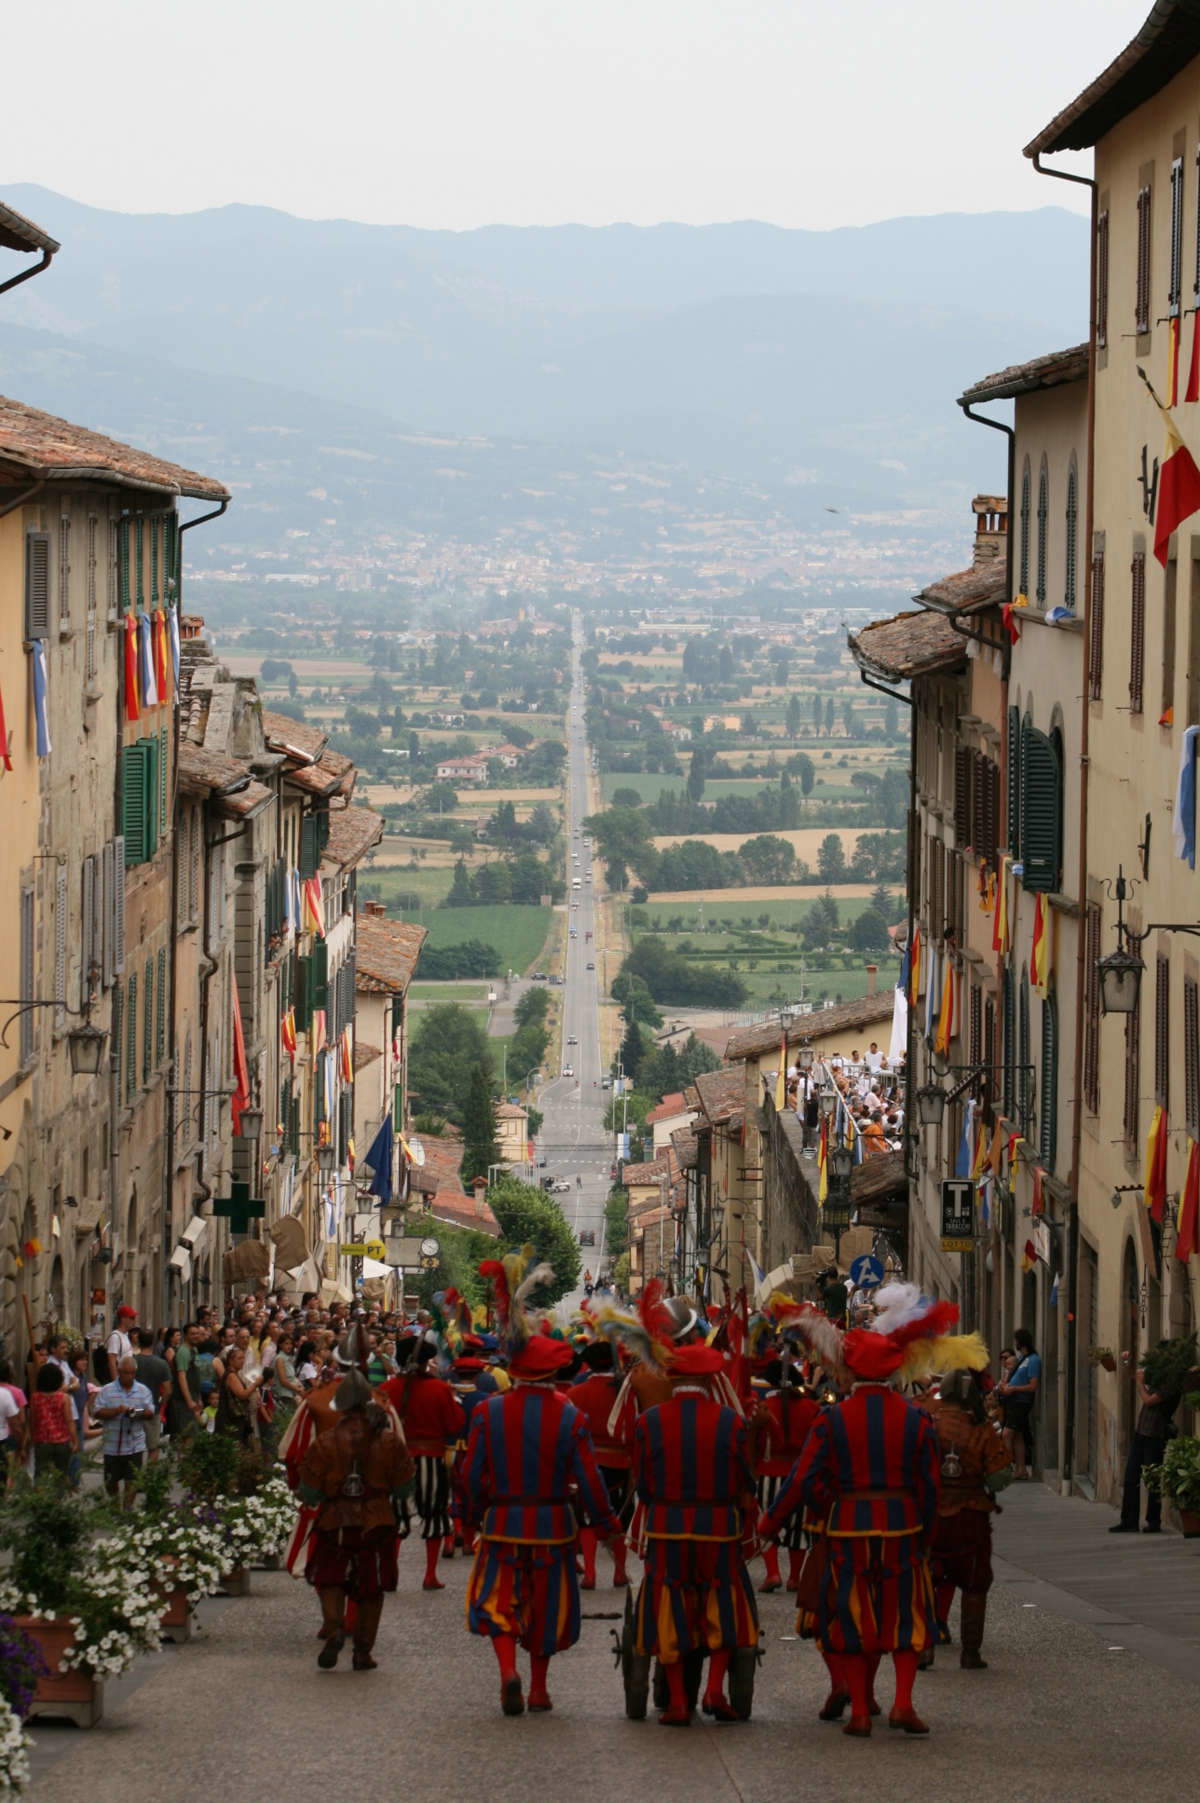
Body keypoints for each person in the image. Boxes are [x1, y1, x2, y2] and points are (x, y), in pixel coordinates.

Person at [760, 1285, 951, 1738]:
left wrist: (770, 1524)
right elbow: (930, 1484)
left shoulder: (832, 1419)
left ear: (850, 1372)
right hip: (903, 1528)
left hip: (847, 1530)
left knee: (852, 1616)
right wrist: (926, 1534)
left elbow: (803, 1479)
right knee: (904, 1614)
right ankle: (903, 1703)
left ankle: (862, 1712)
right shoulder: (916, 1418)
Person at [459, 1253, 622, 1716]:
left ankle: (507, 1672)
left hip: (503, 1522)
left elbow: (472, 1474)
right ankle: (538, 1689)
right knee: (546, 1607)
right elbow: (589, 1479)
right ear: (552, 1372)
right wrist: (607, 1524)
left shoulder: (489, 1413)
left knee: (499, 1601)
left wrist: (466, 1518)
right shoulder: (569, 1414)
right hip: (553, 1527)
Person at [631, 1339, 760, 1726]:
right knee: (720, 1602)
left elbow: (643, 1486)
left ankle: (678, 1701)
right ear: (709, 1380)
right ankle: (715, 1689)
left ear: (670, 1378)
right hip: (718, 1529)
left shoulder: (648, 1421)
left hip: (668, 1529)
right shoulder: (731, 1421)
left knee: (669, 1605)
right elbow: (744, 1480)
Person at [297, 1368, 414, 1671]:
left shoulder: (324, 1442)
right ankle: (362, 1652)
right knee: (371, 1589)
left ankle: (335, 1629)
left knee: (331, 1579)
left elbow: (308, 1492)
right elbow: (404, 1488)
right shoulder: (388, 1441)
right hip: (376, 1522)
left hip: (334, 1521)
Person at [927, 1369, 1012, 1667]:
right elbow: (1000, 1477)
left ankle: (924, 1647)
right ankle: (970, 1653)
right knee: (975, 1582)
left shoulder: (926, 1420)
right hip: (971, 1515)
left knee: (924, 1578)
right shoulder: (983, 1428)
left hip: (930, 1513)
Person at [379, 1340, 464, 1589]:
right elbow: (454, 1425)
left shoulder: (386, 1388)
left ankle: (391, 1572)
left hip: (398, 1461)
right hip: (431, 1458)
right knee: (434, 1515)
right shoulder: (439, 1389)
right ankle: (429, 1574)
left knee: (396, 1516)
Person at [753, 1359, 821, 1595]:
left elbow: (757, 1444)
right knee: (799, 1528)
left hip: (769, 1472)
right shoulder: (811, 1407)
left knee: (766, 1522)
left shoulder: (762, 1407)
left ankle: (773, 1573)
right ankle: (794, 1577)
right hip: (800, 1474)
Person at [568, 1339, 631, 1588]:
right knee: (619, 1517)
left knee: (586, 1518)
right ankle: (620, 1571)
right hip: (620, 1462)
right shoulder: (625, 1390)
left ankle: (591, 1573)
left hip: (587, 1462)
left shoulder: (575, 1393)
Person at [1111, 1341, 1183, 1535]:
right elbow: (1134, 1375)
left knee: (1152, 1480)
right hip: (1141, 1432)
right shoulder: (1159, 1376)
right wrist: (1126, 1362)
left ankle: (1153, 1521)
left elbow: (1149, 1400)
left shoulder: (1171, 1382)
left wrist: (1141, 1384)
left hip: (1155, 1435)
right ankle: (1129, 1521)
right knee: (1131, 1477)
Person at [94, 1355, 155, 1508]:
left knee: (132, 1479)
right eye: (125, 1373)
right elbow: (96, 1412)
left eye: (132, 1373)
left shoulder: (142, 1390)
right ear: (119, 1371)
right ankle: (115, 1503)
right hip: (112, 1445)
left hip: (134, 1444)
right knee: (110, 1481)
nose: (129, 1376)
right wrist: (115, 1411)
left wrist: (134, 1412)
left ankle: (127, 1508)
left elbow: (150, 1412)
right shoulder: (107, 1390)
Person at [997, 1328, 1040, 1478]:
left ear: (1021, 1341)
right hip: (1014, 1400)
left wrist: (1013, 1388)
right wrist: (1006, 1386)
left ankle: (1007, 1469)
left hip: (1021, 1402)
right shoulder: (1023, 1358)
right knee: (1018, 1436)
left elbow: (1033, 1385)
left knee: (1007, 1434)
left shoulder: (1034, 1360)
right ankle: (1021, 1470)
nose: (1014, 1343)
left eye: (1016, 1340)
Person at [29, 1363, 79, 1482]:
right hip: (61, 1441)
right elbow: (69, 1421)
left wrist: (31, 1437)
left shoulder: (35, 1398)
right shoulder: (63, 1398)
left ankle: (41, 1499)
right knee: (61, 1474)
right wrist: (74, 1440)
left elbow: (33, 1420)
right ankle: (58, 1498)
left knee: (40, 1474)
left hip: (42, 1441)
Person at [133, 1330, 172, 1460]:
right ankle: (150, 1477)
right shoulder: (161, 1364)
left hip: (134, 1409)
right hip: (153, 1408)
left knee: (133, 1446)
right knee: (153, 1446)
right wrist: (161, 1406)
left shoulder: (132, 1361)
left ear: (138, 1342)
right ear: (153, 1343)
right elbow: (167, 1390)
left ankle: (134, 1475)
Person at [214, 1345, 262, 1447]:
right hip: (230, 1418)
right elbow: (242, 1395)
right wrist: (255, 1384)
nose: (242, 1361)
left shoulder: (235, 1374)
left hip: (235, 1418)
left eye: (243, 1358)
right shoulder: (231, 1375)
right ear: (231, 1361)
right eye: (239, 1358)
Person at [106, 1304, 138, 1379]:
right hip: (120, 1378)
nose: (134, 1321)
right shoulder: (115, 1337)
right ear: (123, 1319)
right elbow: (112, 1361)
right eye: (132, 1318)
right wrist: (116, 1382)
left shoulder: (126, 1335)